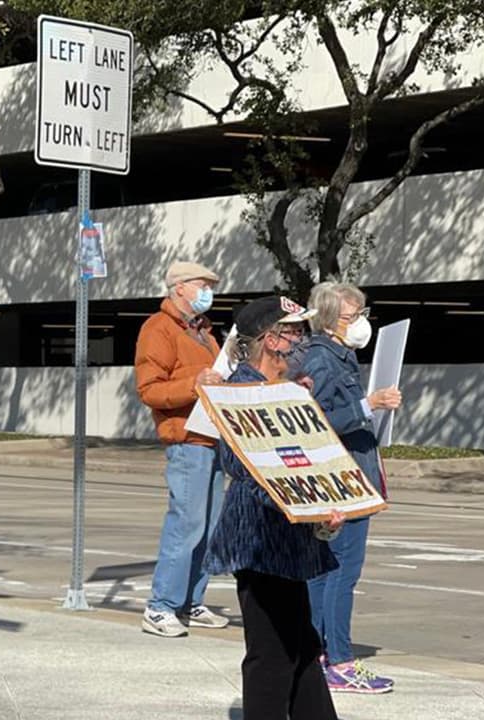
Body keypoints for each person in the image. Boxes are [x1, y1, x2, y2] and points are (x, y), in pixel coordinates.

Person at [205, 296, 344, 720]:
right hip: (260, 542)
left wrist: (324, 505)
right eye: (294, 332)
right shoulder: (240, 393)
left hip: (289, 540)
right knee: (272, 654)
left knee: (302, 646)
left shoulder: (285, 389)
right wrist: (307, 507)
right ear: (271, 340)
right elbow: (245, 467)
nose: (302, 341)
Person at [301, 281, 402, 694]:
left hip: (351, 473)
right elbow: (317, 420)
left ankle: (317, 655)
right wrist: (368, 405)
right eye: (351, 316)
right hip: (343, 479)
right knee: (341, 571)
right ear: (327, 319)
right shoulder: (323, 359)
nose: (360, 324)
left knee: (327, 572)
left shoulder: (337, 356)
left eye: (361, 314)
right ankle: (338, 658)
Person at [135, 260, 230, 637]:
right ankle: (160, 606)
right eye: (202, 285)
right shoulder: (158, 329)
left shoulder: (204, 332)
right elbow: (149, 390)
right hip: (187, 439)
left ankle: (191, 600)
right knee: (186, 525)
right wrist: (196, 383)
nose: (209, 291)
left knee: (209, 527)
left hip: (214, 436)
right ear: (179, 288)